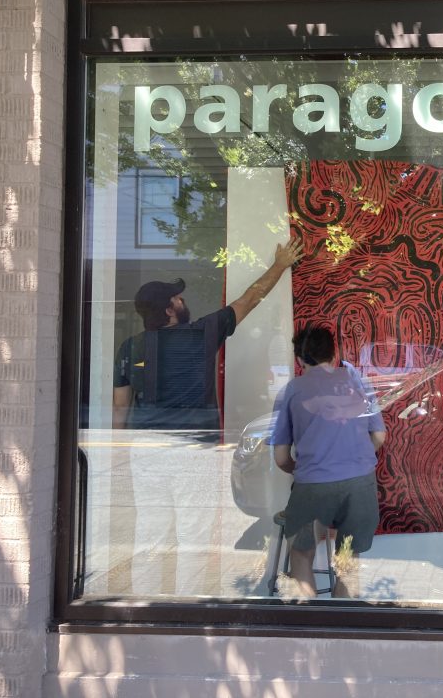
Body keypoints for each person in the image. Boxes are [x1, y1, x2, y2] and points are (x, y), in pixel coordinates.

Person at [112, 238, 304, 436]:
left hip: (146, 445)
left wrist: (115, 449)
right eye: (176, 298)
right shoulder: (200, 334)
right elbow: (249, 301)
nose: (182, 299)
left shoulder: (130, 347)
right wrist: (280, 265)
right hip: (195, 444)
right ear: (169, 310)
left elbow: (120, 405)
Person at [271, 323, 386, 598]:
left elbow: (281, 457)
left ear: (299, 359)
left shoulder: (290, 391)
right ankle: (341, 626)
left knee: (300, 555)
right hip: (360, 483)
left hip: (312, 485)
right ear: (333, 356)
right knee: (347, 561)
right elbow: (379, 436)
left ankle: (311, 626)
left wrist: (307, 469)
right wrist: (353, 458)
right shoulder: (358, 382)